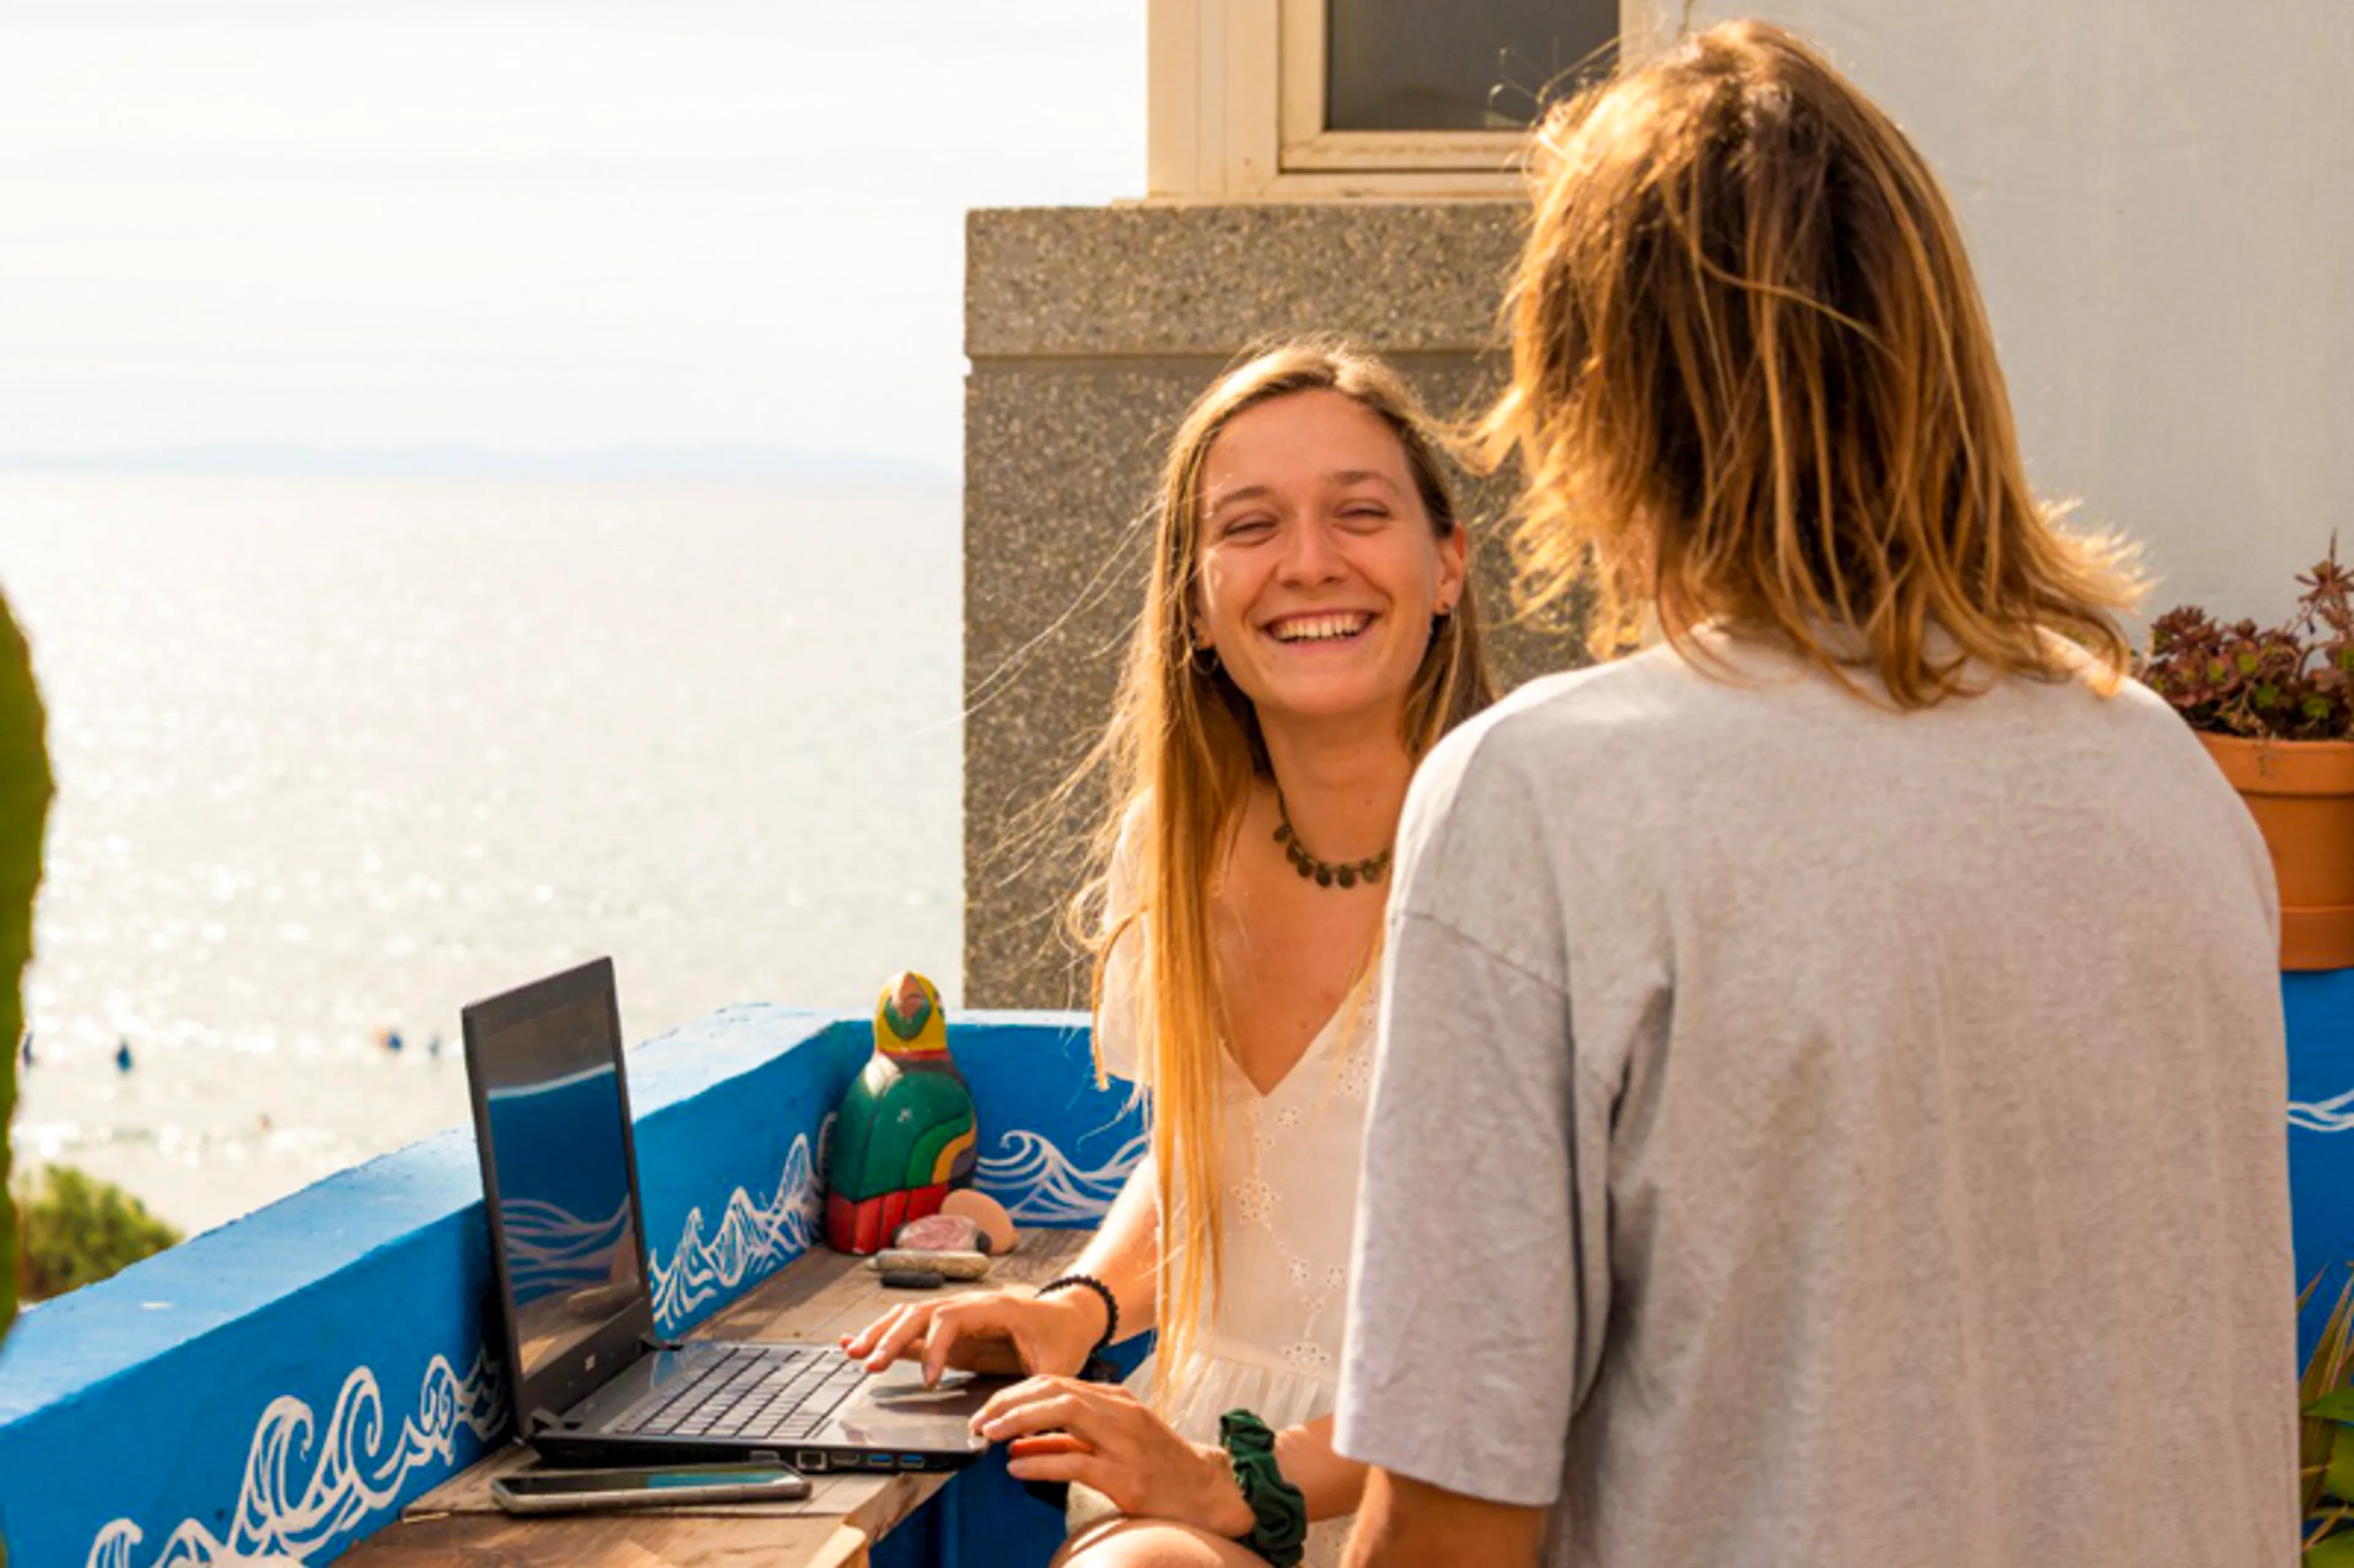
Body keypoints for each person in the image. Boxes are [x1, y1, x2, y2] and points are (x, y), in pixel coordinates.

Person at [1335, 21, 2294, 1568]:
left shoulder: (1553, 799)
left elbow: (1452, 1522)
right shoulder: (2168, 784)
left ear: (1590, 391)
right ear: (1940, 355)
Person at [842, 340, 1496, 1566]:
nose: (1309, 560)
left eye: (1360, 512)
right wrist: (1076, 1306)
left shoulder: (1533, 861)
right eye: (1250, 525)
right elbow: (1219, 1165)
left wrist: (1229, 1480)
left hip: (1438, 1494)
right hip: (1191, 1461)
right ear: (1196, 600)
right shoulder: (1176, 848)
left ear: (1447, 563)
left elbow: (1542, 1342)